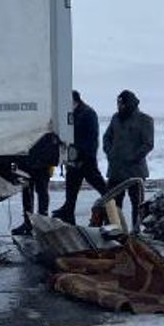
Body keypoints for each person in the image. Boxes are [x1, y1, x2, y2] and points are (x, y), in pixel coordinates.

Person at [52, 90, 107, 225]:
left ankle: (112, 202)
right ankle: (68, 209)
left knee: (96, 182)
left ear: (74, 100)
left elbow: (91, 137)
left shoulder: (88, 113)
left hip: (85, 157)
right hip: (73, 156)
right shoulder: (73, 113)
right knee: (71, 184)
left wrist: (84, 154)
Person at [103, 90, 154, 229]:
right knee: (112, 203)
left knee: (137, 204)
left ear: (129, 104)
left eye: (122, 104)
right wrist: (110, 152)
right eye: (118, 103)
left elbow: (148, 144)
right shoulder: (115, 118)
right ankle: (114, 230)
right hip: (116, 170)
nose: (119, 106)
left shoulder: (145, 120)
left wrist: (131, 158)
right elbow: (107, 137)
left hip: (135, 171)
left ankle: (136, 232)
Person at [12, 134, 61, 236]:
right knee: (30, 191)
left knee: (39, 190)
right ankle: (30, 222)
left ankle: (38, 221)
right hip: (31, 154)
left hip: (42, 155)